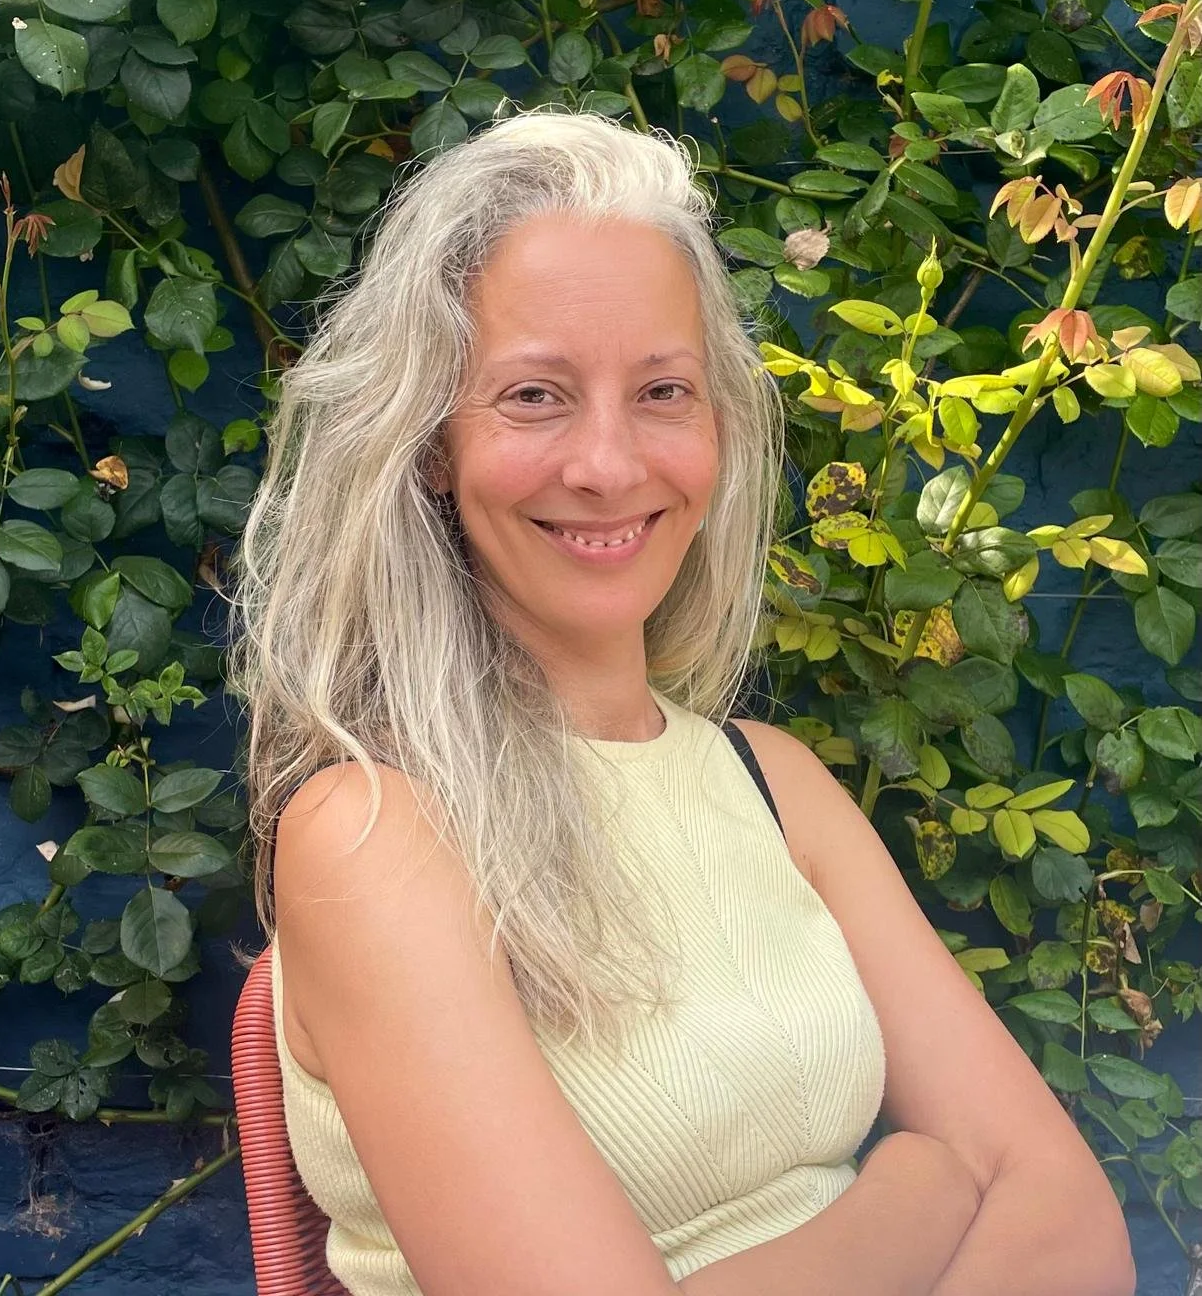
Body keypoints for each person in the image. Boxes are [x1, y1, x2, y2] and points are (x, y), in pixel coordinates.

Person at [228, 109, 1135, 1296]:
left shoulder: (771, 783)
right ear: (429, 443)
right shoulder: (377, 833)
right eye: (534, 396)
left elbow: (1071, 1233)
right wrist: (919, 1193)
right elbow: (983, 1180)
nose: (608, 464)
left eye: (662, 389)